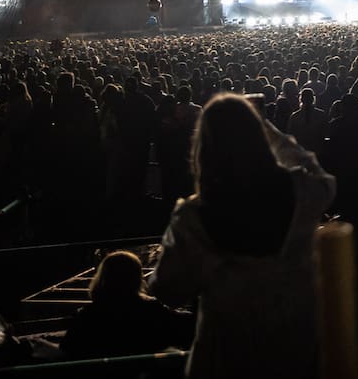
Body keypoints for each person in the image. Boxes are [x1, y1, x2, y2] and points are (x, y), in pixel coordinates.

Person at [148, 93, 335, 379]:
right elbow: (322, 178)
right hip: (295, 349)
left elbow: (168, 291)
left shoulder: (192, 217)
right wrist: (268, 130)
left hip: (226, 355)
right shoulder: (300, 192)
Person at [61, 250, 193, 359]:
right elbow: (181, 330)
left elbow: (69, 350)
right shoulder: (152, 309)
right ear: (137, 278)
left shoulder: (88, 315)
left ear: (102, 278)